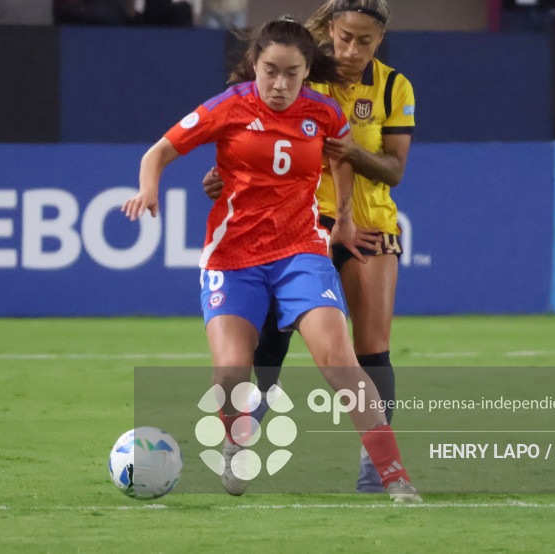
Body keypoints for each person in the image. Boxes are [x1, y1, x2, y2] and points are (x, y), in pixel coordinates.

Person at [122, 17, 420, 503]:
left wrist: (343, 216)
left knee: (341, 362)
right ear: (254, 66)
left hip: (300, 254)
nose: (280, 85)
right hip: (233, 258)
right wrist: (148, 187)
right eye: (270, 71)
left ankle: (394, 476)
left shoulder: (322, 111)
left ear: (307, 73)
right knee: (233, 372)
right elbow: (158, 151)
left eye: (292, 73)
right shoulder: (229, 106)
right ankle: (235, 442)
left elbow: (342, 155)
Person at [203, 0, 415, 494]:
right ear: (331, 31)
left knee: (369, 350)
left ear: (380, 40)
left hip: (368, 225)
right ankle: (243, 435)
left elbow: (395, 170)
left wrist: (353, 151)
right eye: (344, 37)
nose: (352, 49)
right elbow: (252, 140)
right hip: (297, 227)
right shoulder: (302, 77)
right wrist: (224, 177)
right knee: (270, 344)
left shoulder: (393, 87)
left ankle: (373, 463)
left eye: (365, 40)